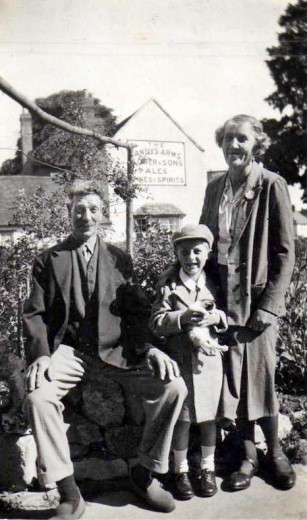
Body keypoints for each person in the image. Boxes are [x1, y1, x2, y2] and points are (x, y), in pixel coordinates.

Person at [23, 180, 187, 520]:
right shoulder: (48, 260)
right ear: (69, 213)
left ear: (104, 215)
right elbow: (34, 313)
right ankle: (69, 494)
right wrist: (40, 355)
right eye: (79, 210)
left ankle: (144, 474)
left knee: (173, 387)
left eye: (93, 209)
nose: (86, 216)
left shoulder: (119, 259)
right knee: (38, 398)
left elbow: (137, 312)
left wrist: (149, 349)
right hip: (68, 353)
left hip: (117, 352)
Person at [199, 114, 296, 492]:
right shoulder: (215, 188)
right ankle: (248, 456)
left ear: (256, 144)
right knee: (234, 382)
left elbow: (286, 253)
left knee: (262, 377)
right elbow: (206, 245)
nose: (233, 146)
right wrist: (203, 296)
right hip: (223, 300)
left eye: (241, 139)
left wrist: (269, 306)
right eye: (227, 139)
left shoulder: (272, 185)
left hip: (256, 302)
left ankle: (276, 453)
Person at [150, 224, 228, 500]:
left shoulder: (214, 284)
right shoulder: (169, 287)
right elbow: (156, 322)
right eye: (184, 252)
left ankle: (206, 467)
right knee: (182, 420)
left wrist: (216, 318)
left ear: (207, 253)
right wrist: (181, 319)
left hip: (208, 363)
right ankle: (180, 470)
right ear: (176, 254)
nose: (191, 258)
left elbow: (226, 315)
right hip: (180, 361)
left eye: (197, 251)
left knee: (209, 419)